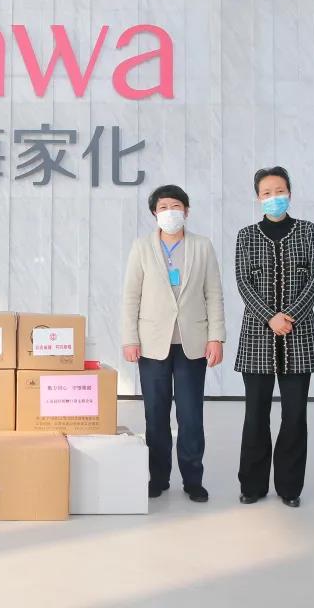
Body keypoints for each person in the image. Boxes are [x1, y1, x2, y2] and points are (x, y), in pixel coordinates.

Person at [121, 185, 226, 501]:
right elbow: (131, 296)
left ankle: (193, 479)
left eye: (176, 206)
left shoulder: (202, 246)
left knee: (191, 414)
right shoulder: (141, 247)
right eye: (164, 207)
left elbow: (214, 294)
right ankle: (158, 477)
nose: (170, 212)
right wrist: (129, 338)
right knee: (155, 414)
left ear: (187, 211)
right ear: (155, 213)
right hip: (152, 343)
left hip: (192, 342)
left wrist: (216, 337)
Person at [233, 167, 314, 508]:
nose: (274, 197)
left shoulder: (308, 231)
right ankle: (252, 485)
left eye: (280, 190)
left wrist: (290, 315)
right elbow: (243, 282)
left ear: (290, 192)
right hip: (257, 335)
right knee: (255, 415)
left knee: (295, 416)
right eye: (267, 192)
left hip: (299, 336)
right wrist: (270, 317)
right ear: (258, 197)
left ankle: (289, 487)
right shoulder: (246, 235)